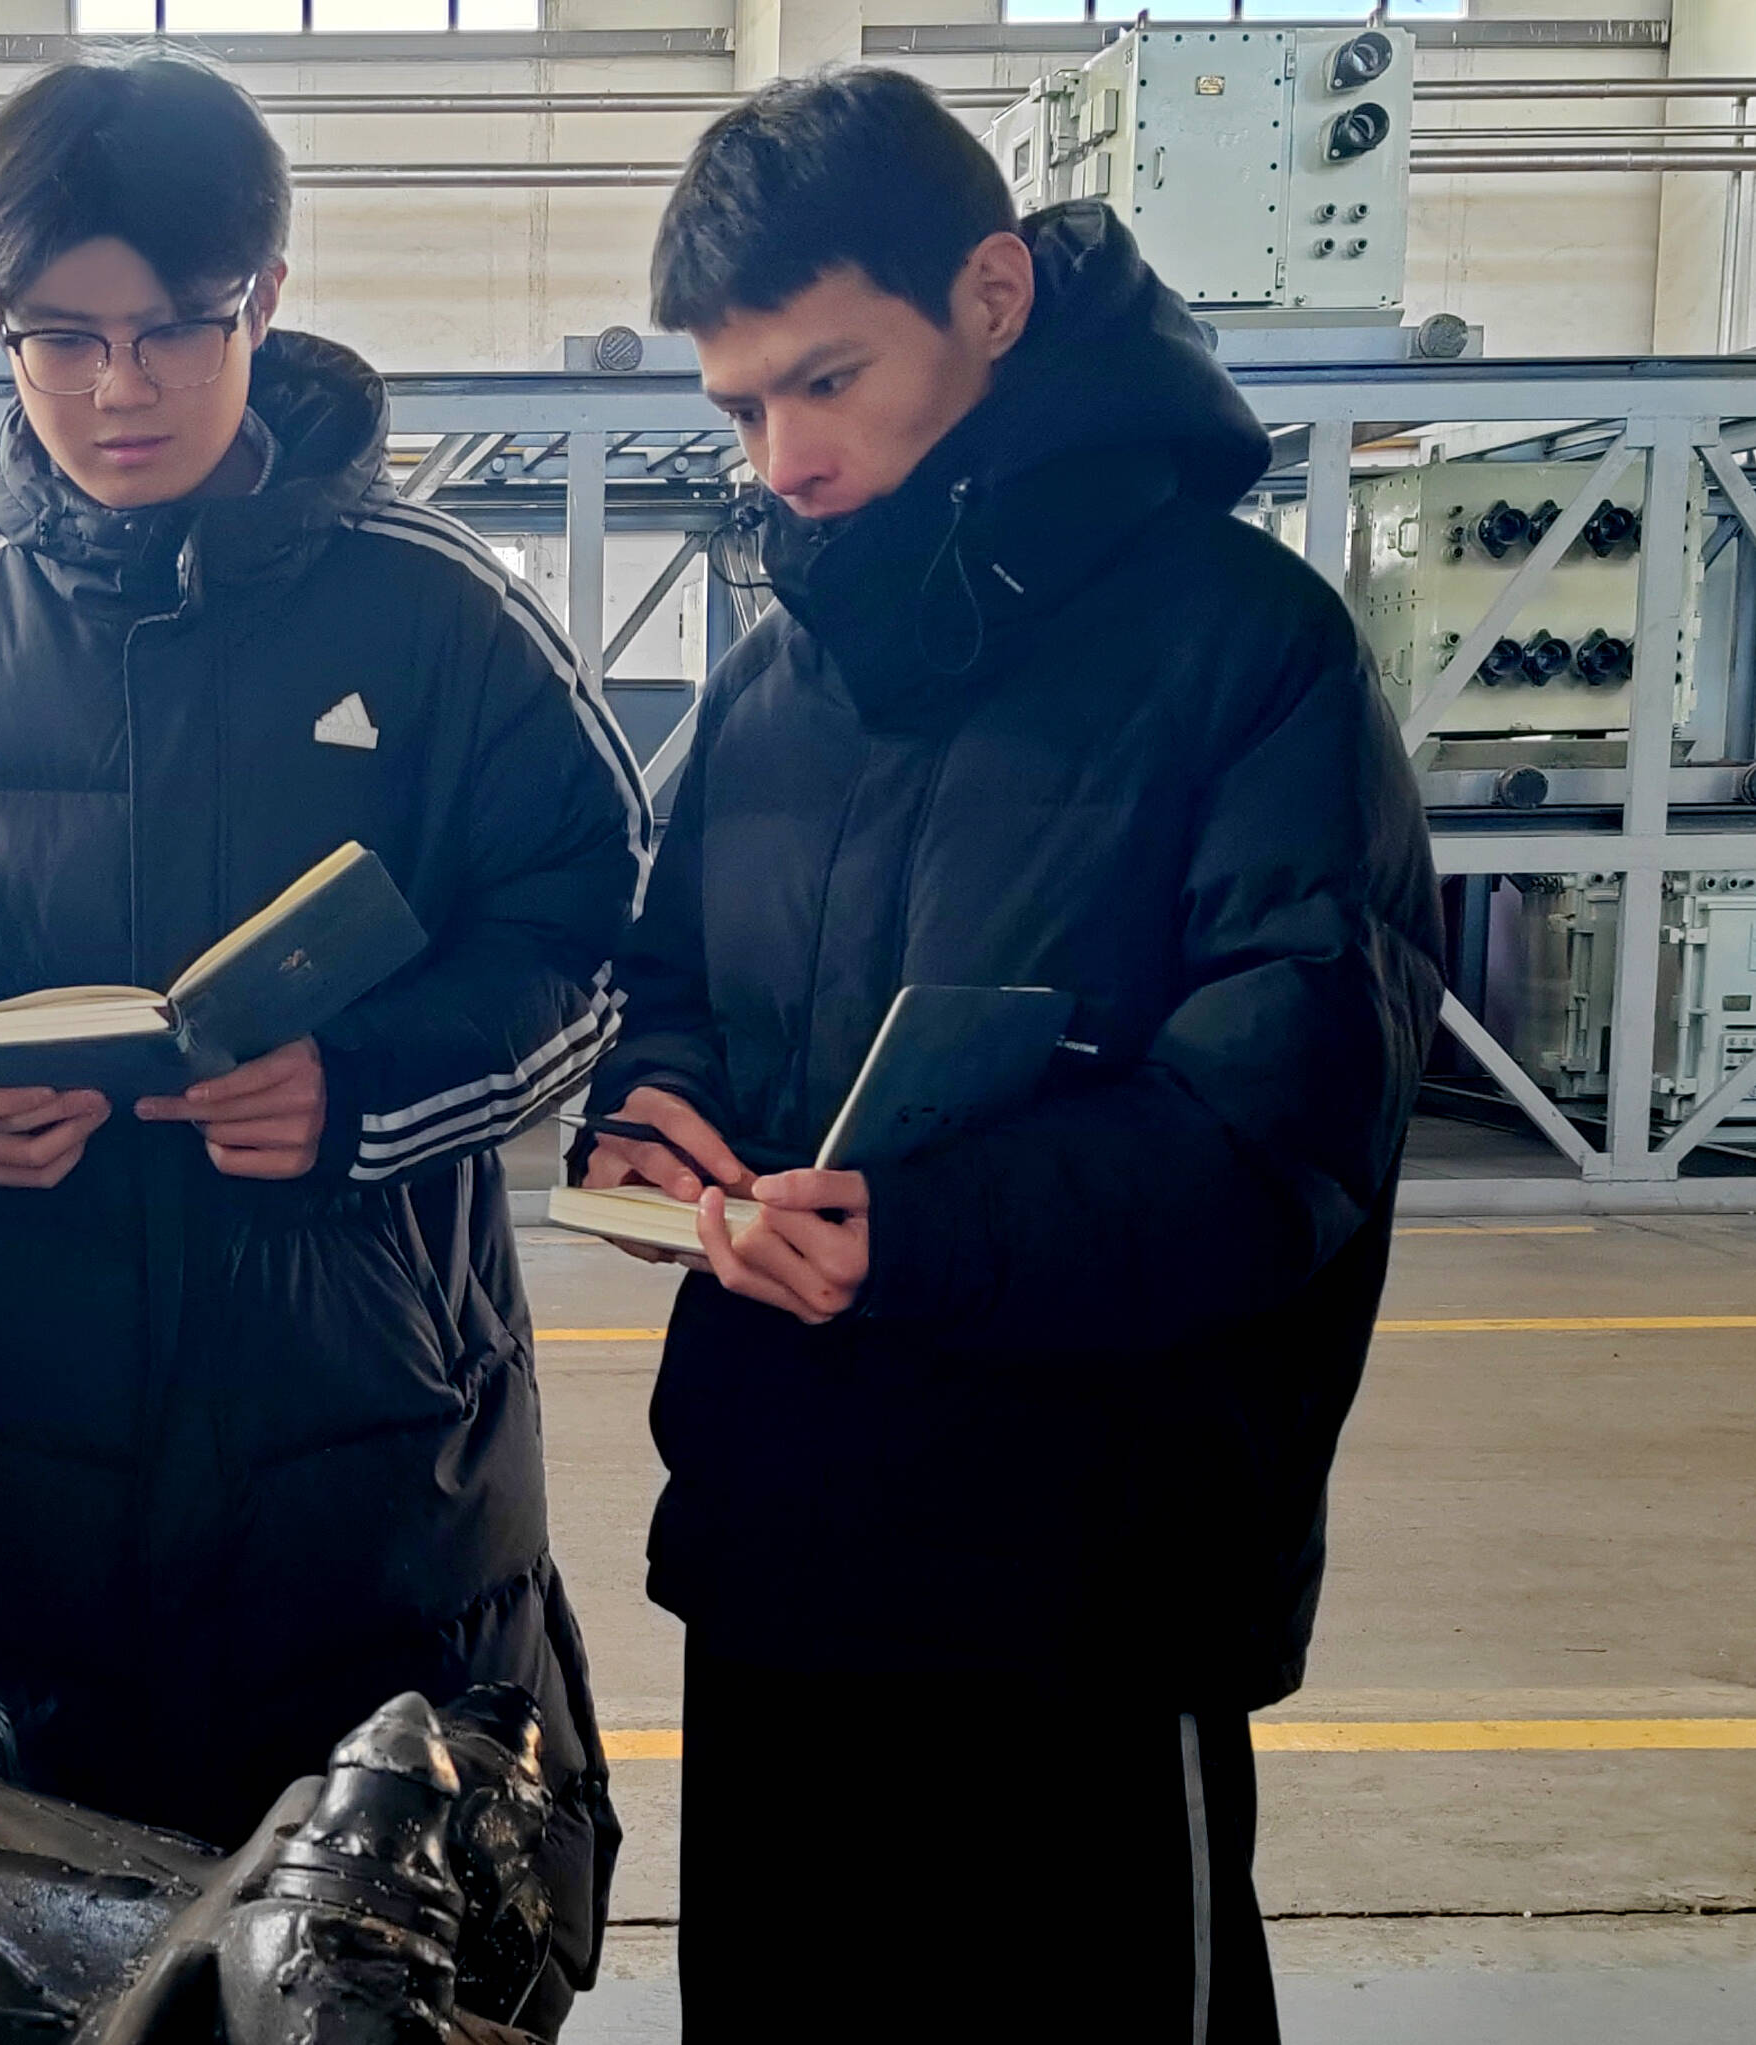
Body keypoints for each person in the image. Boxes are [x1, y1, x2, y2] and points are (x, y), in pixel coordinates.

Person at [0, 55, 641, 2031]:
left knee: (376, 1988)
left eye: (175, 325)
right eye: (60, 337)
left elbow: (591, 942)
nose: (119, 387)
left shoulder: (442, 621)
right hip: (31, 1487)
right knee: (61, 1982)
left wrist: (366, 1095)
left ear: (266, 296)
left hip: (377, 1489)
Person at [576, 71, 1445, 2038]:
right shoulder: (771, 687)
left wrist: (919, 1235)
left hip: (1087, 1582)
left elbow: (1282, 1124)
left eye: (827, 381)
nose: (788, 458)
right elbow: (673, 980)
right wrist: (651, 1118)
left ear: (988, 295)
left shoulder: (1247, 650)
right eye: (740, 411)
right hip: (787, 1554)